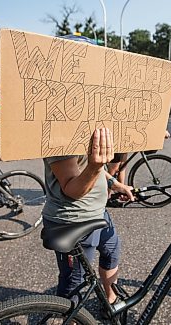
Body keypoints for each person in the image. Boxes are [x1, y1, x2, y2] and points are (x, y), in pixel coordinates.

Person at [42, 128, 134, 309]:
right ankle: (69, 317)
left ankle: (111, 302)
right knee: (74, 282)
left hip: (98, 213)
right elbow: (72, 189)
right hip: (73, 220)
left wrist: (114, 184)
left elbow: (89, 165)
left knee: (111, 251)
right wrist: (95, 166)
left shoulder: (87, 124)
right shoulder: (58, 132)